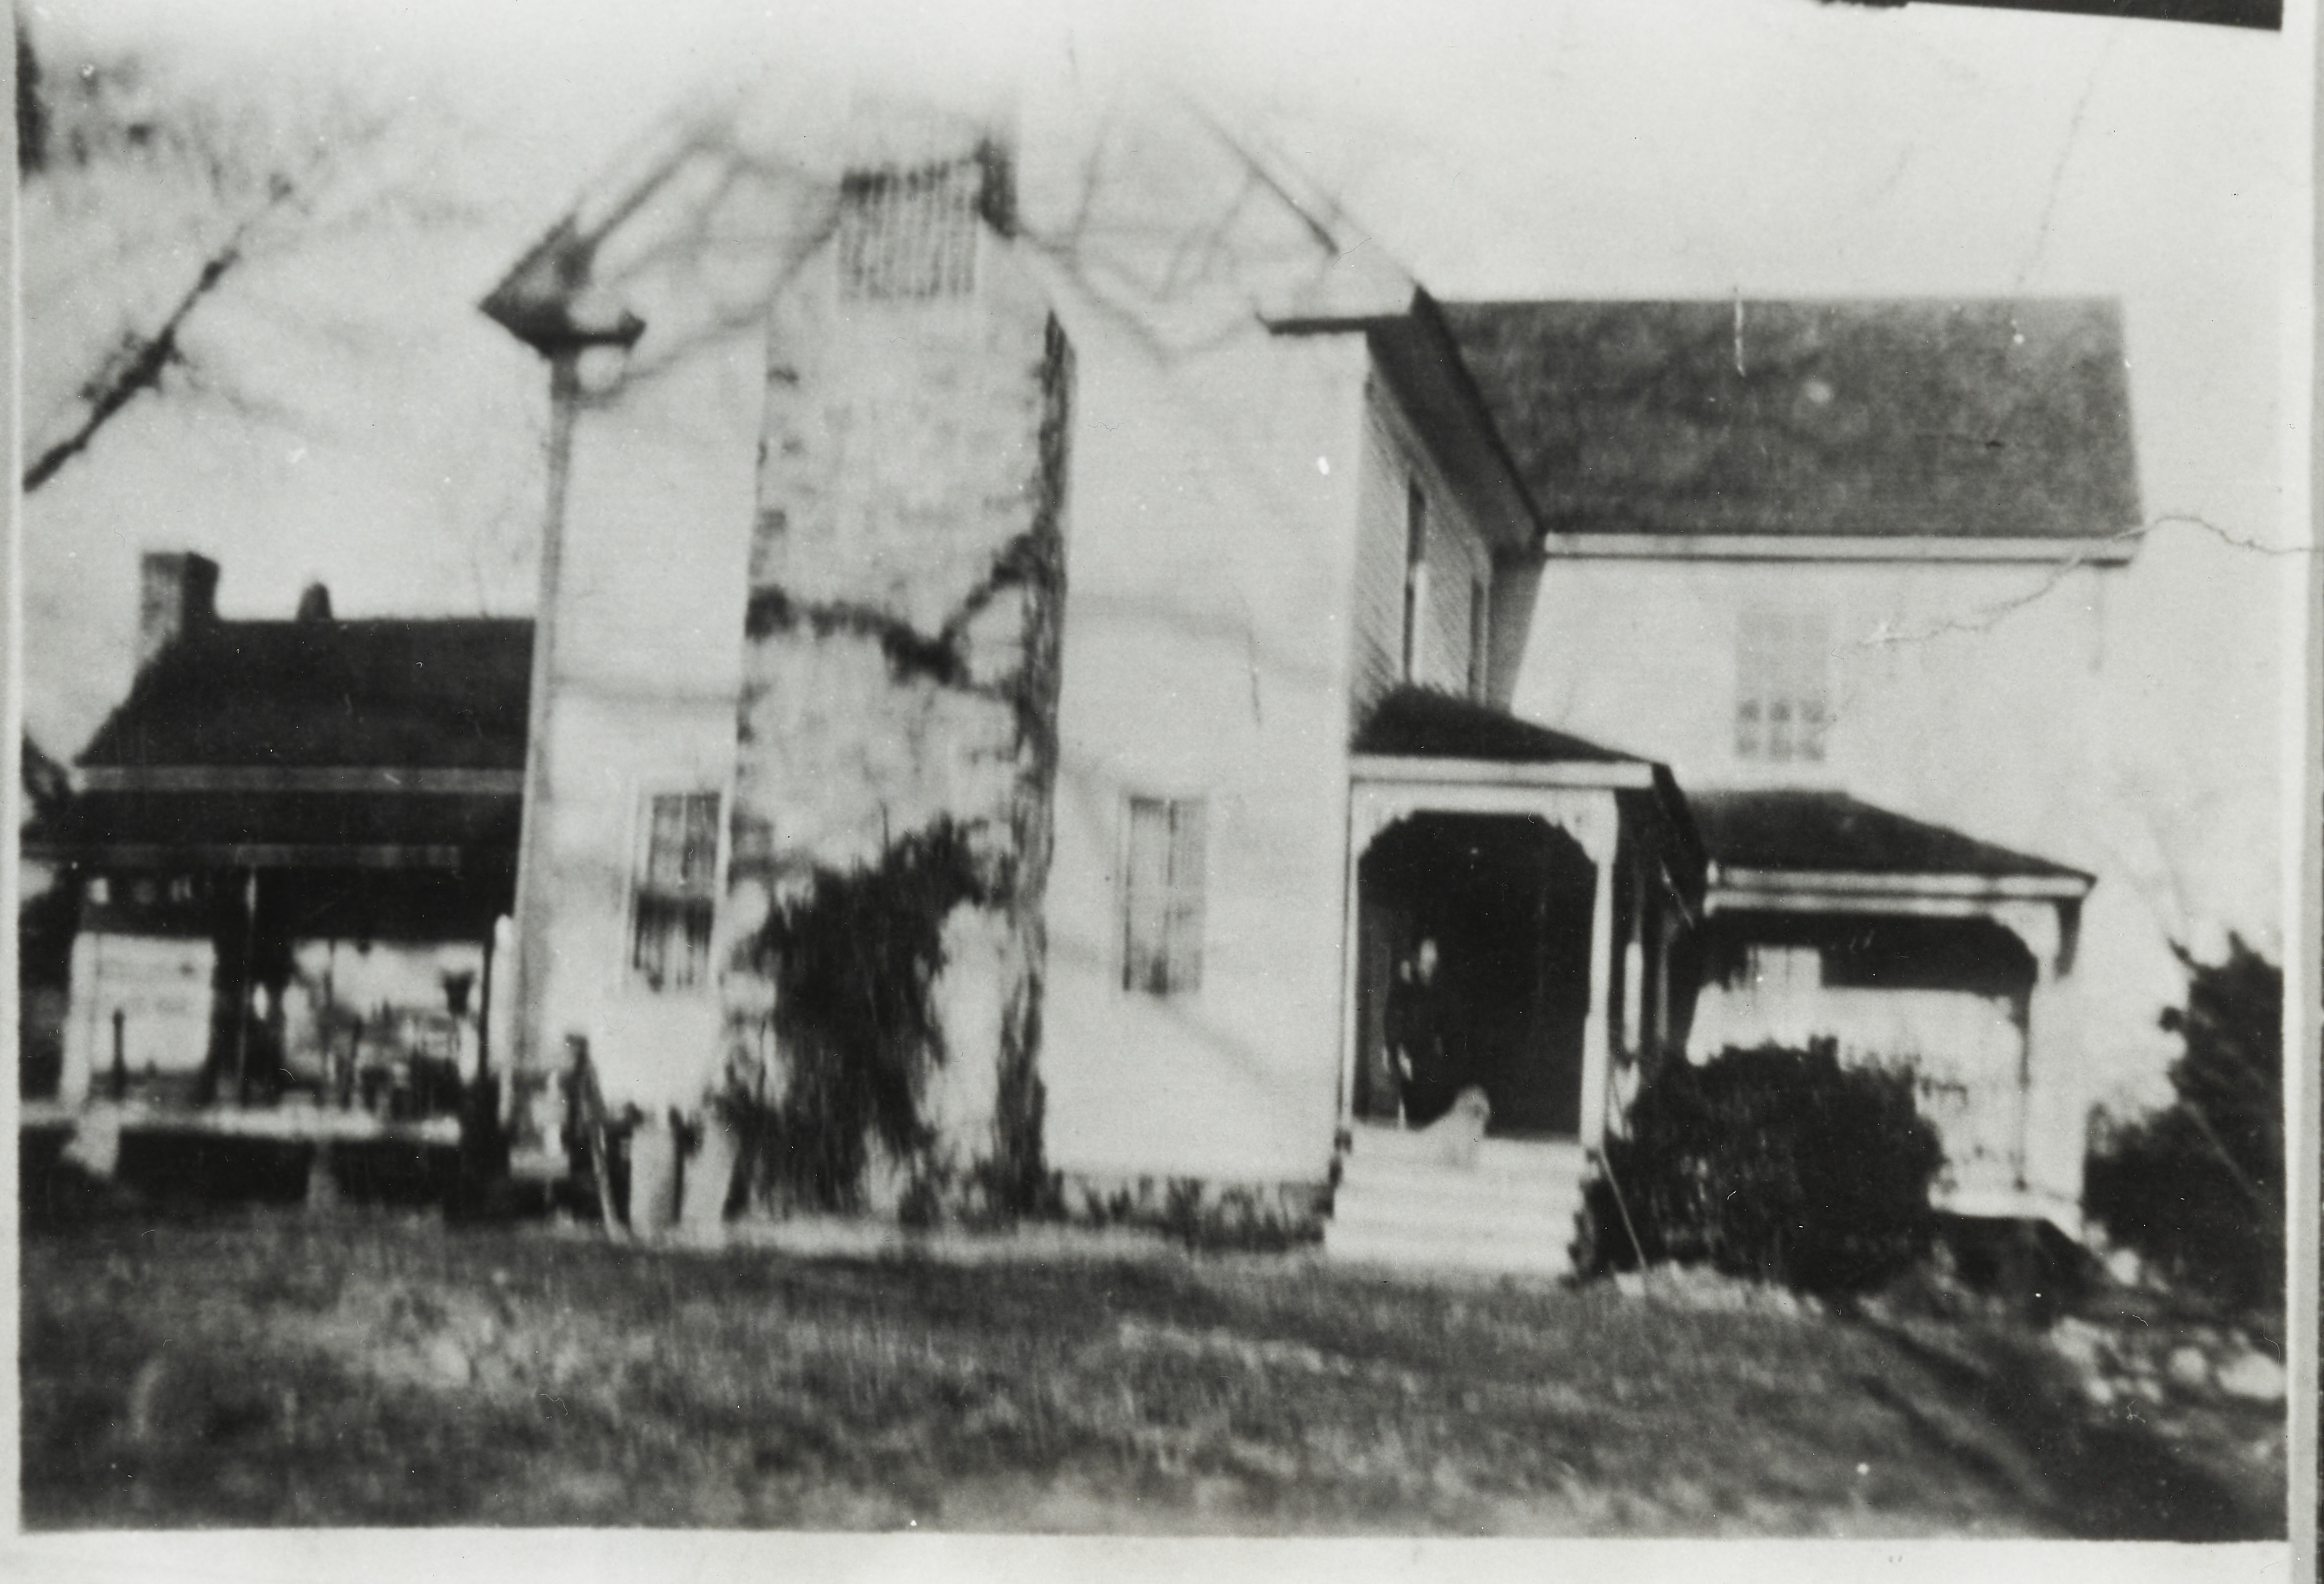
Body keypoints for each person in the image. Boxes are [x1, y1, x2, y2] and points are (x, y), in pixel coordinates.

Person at [1385, 936, 1462, 1126]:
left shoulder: (1440, 987)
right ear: (1418, 960)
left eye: (1432, 963)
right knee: (1414, 1106)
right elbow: (1394, 1019)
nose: (1428, 968)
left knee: (1433, 1105)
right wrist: (1399, 1051)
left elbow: (1447, 1024)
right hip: (1410, 1055)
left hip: (1431, 1056)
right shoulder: (1407, 984)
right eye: (1425, 962)